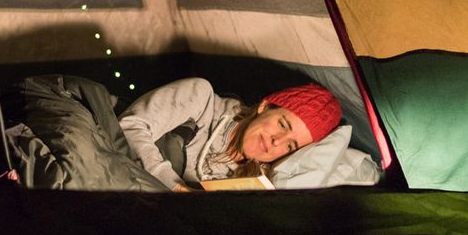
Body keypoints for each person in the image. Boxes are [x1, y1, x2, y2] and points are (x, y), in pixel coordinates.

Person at [118, 78, 342, 192]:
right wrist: (176, 187)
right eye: (282, 125)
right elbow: (130, 125)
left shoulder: (254, 185)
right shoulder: (201, 98)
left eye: (290, 146)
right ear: (265, 106)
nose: (277, 141)